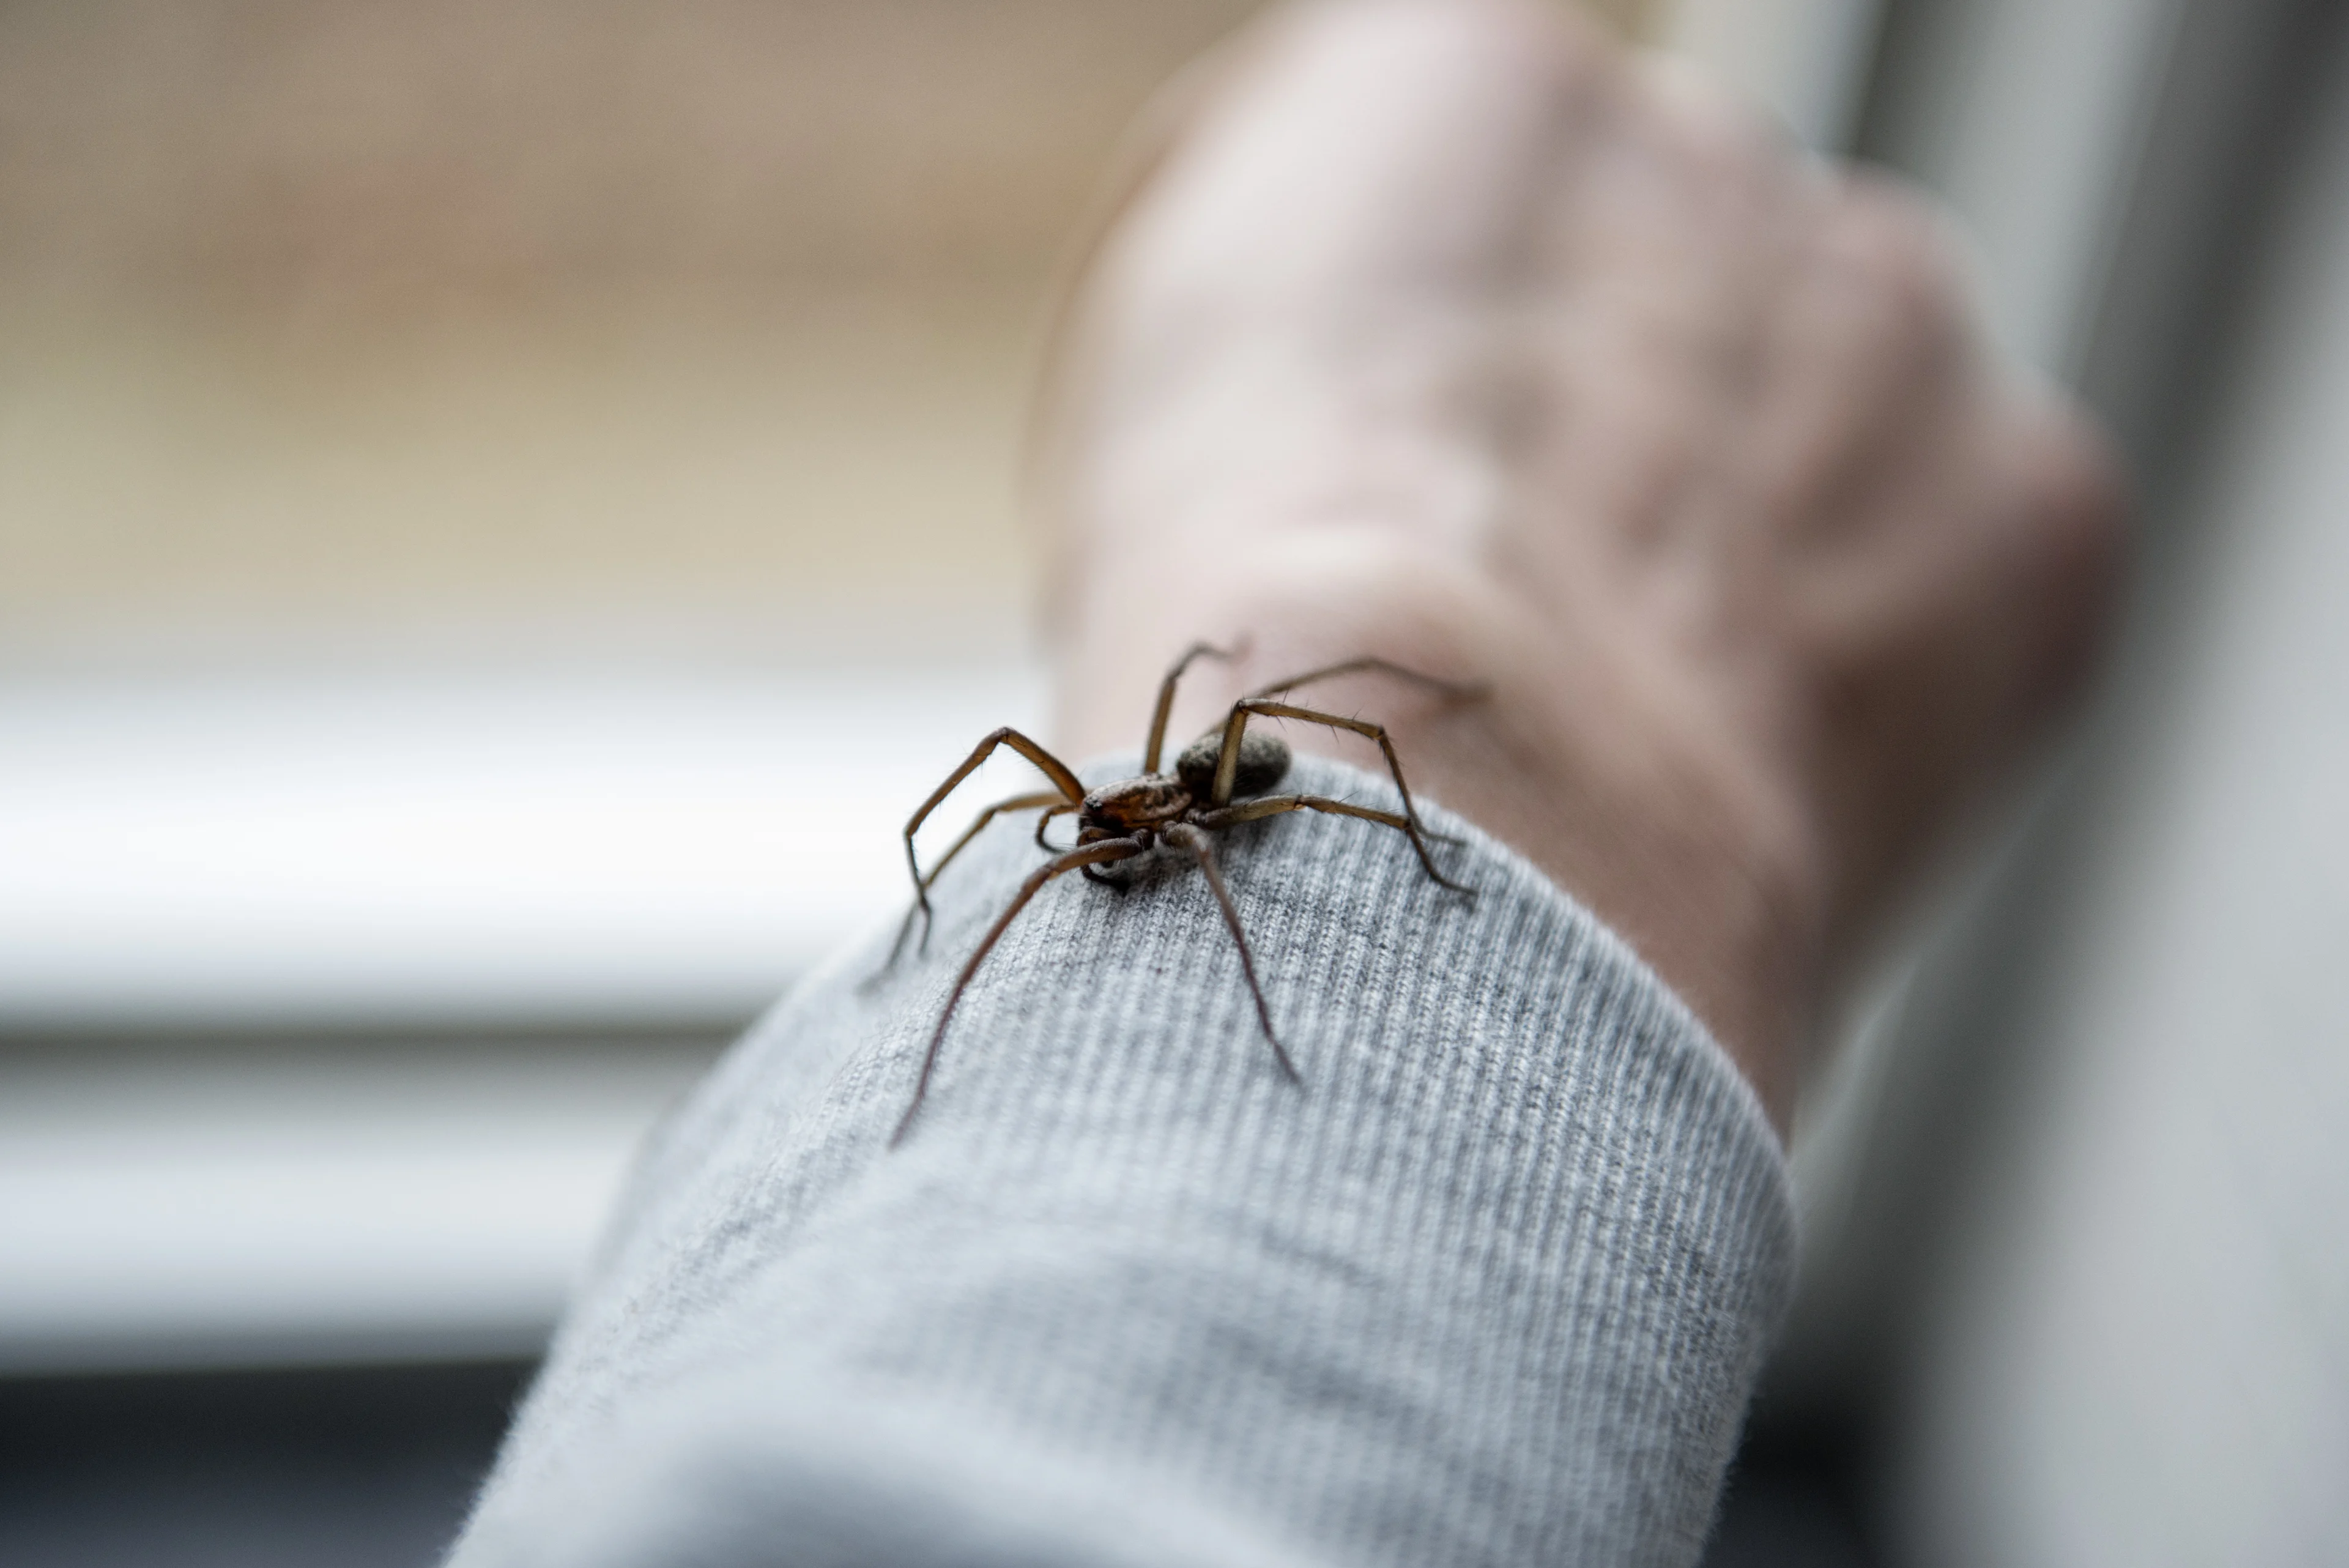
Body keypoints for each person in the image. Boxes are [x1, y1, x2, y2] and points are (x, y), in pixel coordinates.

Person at [445, 2, 2121, 1563]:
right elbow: (1022, 804)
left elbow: (1333, 742)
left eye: (1107, 834)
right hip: (1229, 752)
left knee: (1297, 727)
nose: (1092, 846)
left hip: (1263, 754)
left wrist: (1437, 716)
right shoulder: (1098, 818)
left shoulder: (1227, 797)